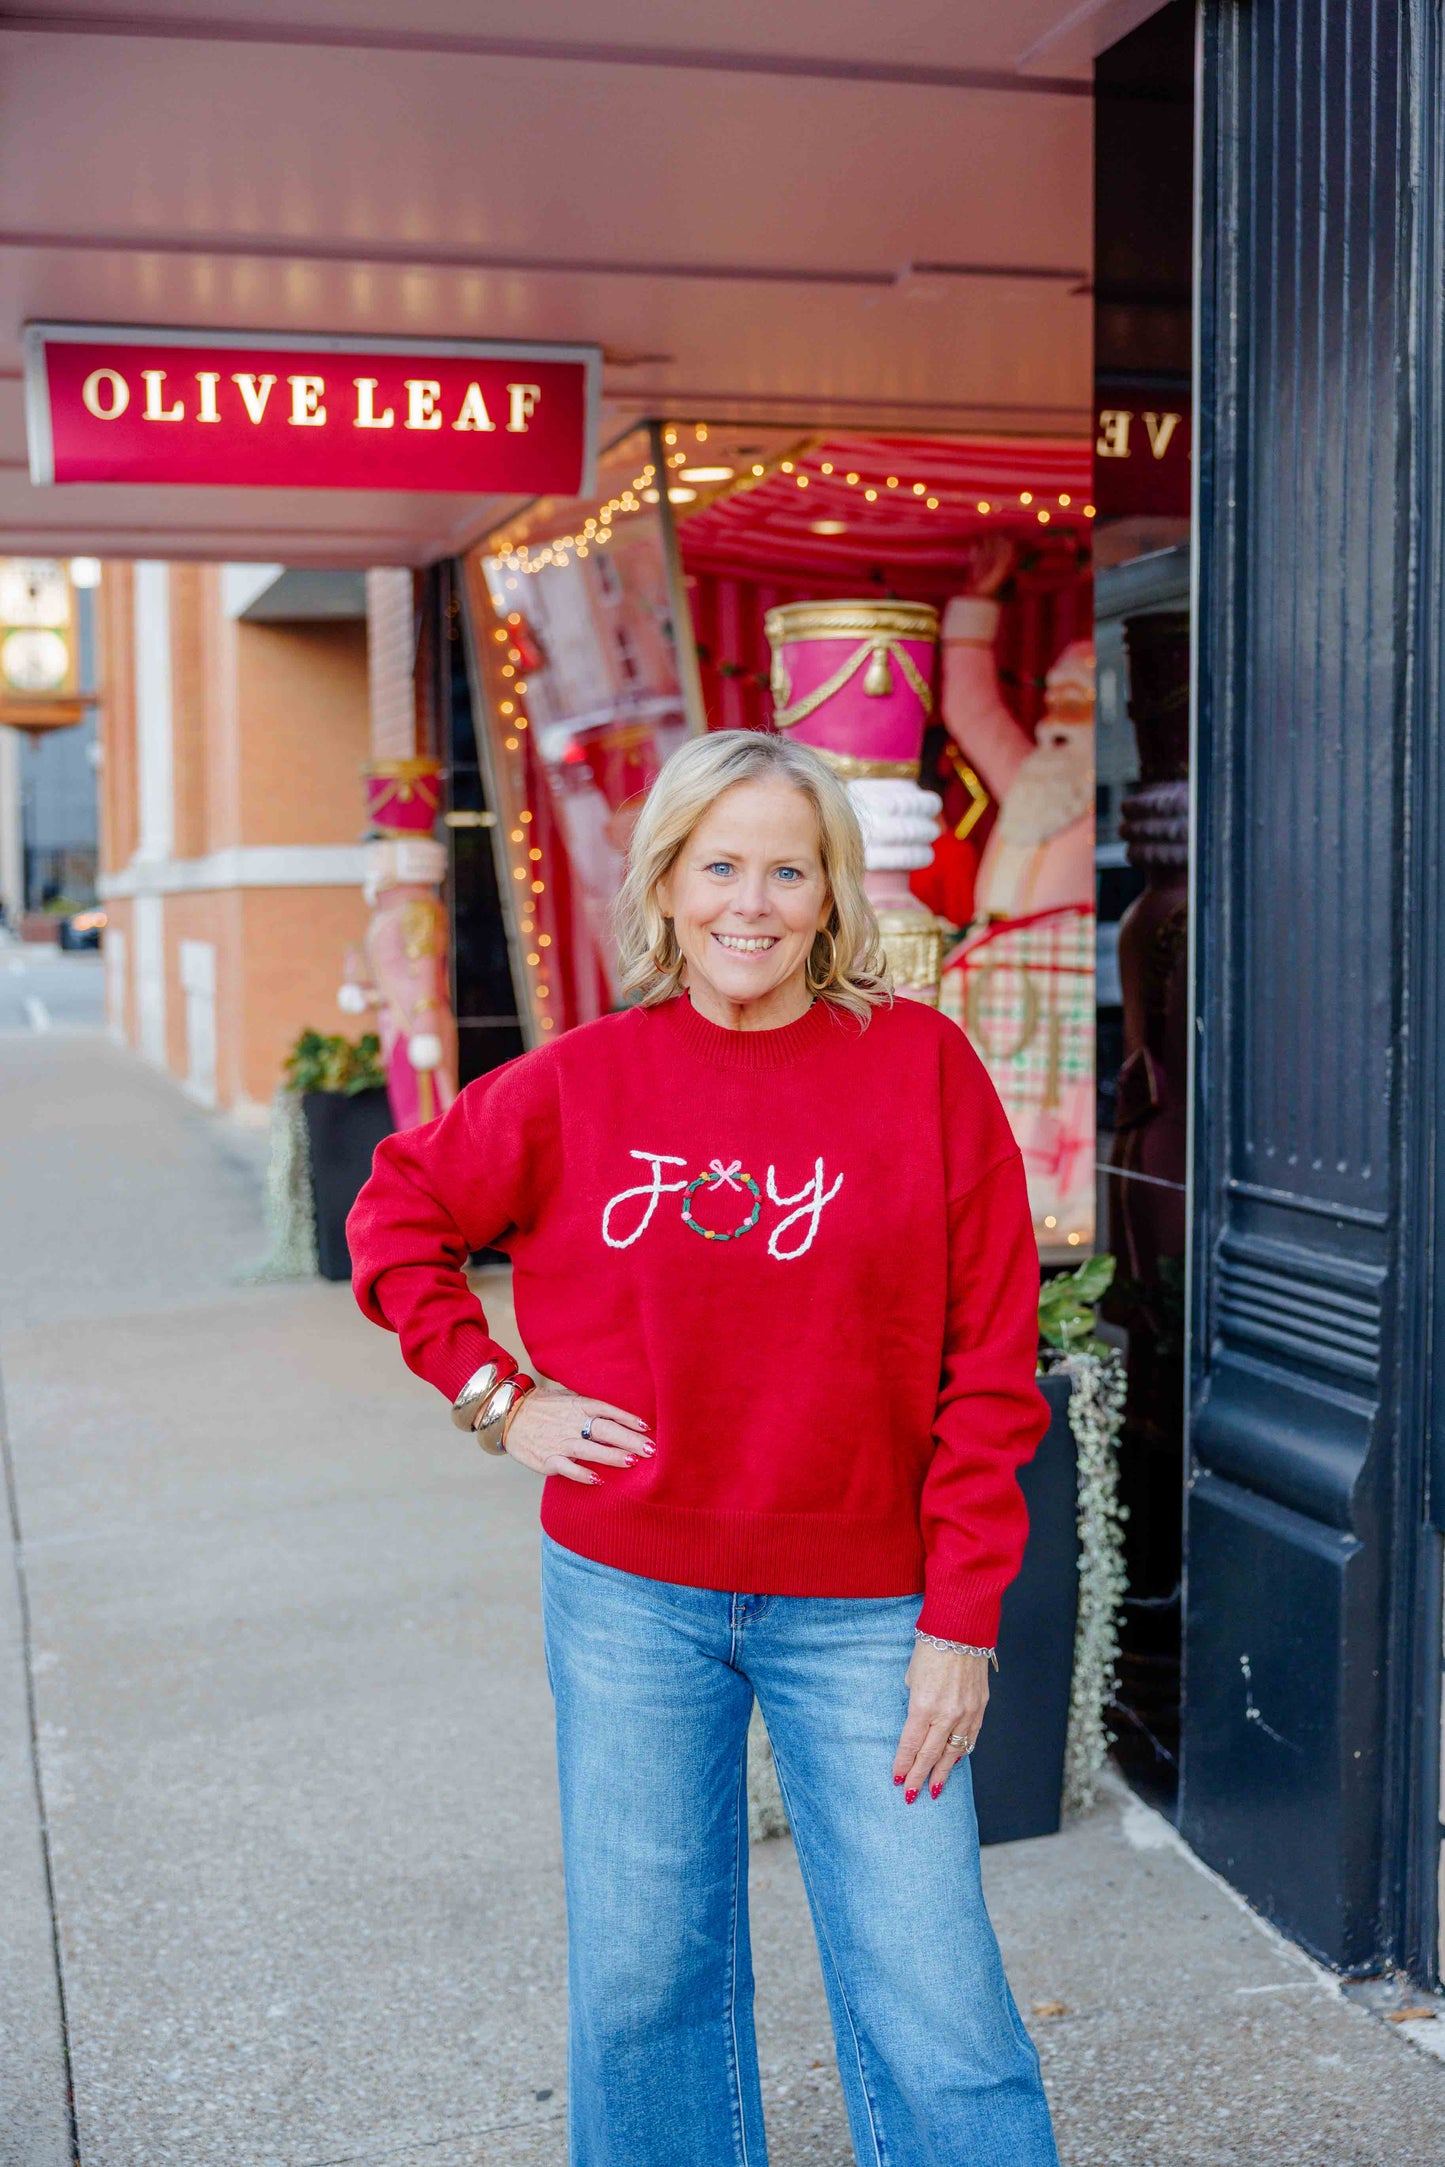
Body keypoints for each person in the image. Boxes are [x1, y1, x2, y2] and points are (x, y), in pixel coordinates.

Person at [347, 728, 1059, 2167]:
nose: (752, 901)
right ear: (664, 885)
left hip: (870, 1612)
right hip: (629, 1597)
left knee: (936, 1995)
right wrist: (499, 1401)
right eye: (717, 864)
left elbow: (988, 1366)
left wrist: (962, 1618)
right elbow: (396, 1214)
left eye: (787, 869)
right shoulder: (580, 1083)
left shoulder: (917, 1069)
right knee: (641, 1983)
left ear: (829, 894)